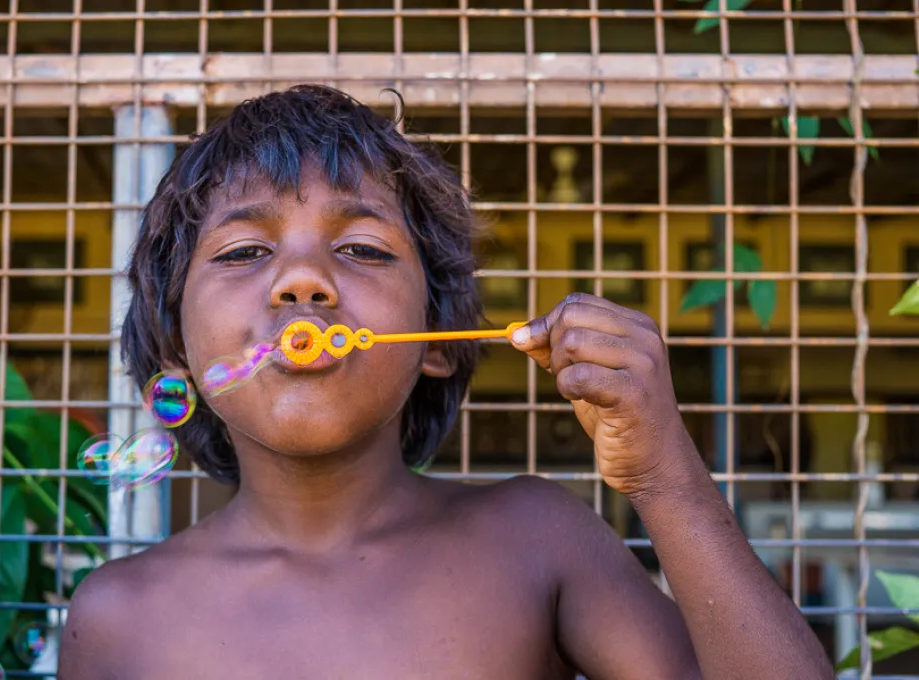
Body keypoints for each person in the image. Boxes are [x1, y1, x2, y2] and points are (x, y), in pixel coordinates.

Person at [58, 85, 832, 679]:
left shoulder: (537, 540)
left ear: (435, 340)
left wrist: (664, 475)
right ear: (178, 354)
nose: (302, 282)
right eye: (240, 254)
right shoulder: (118, 616)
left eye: (361, 248)